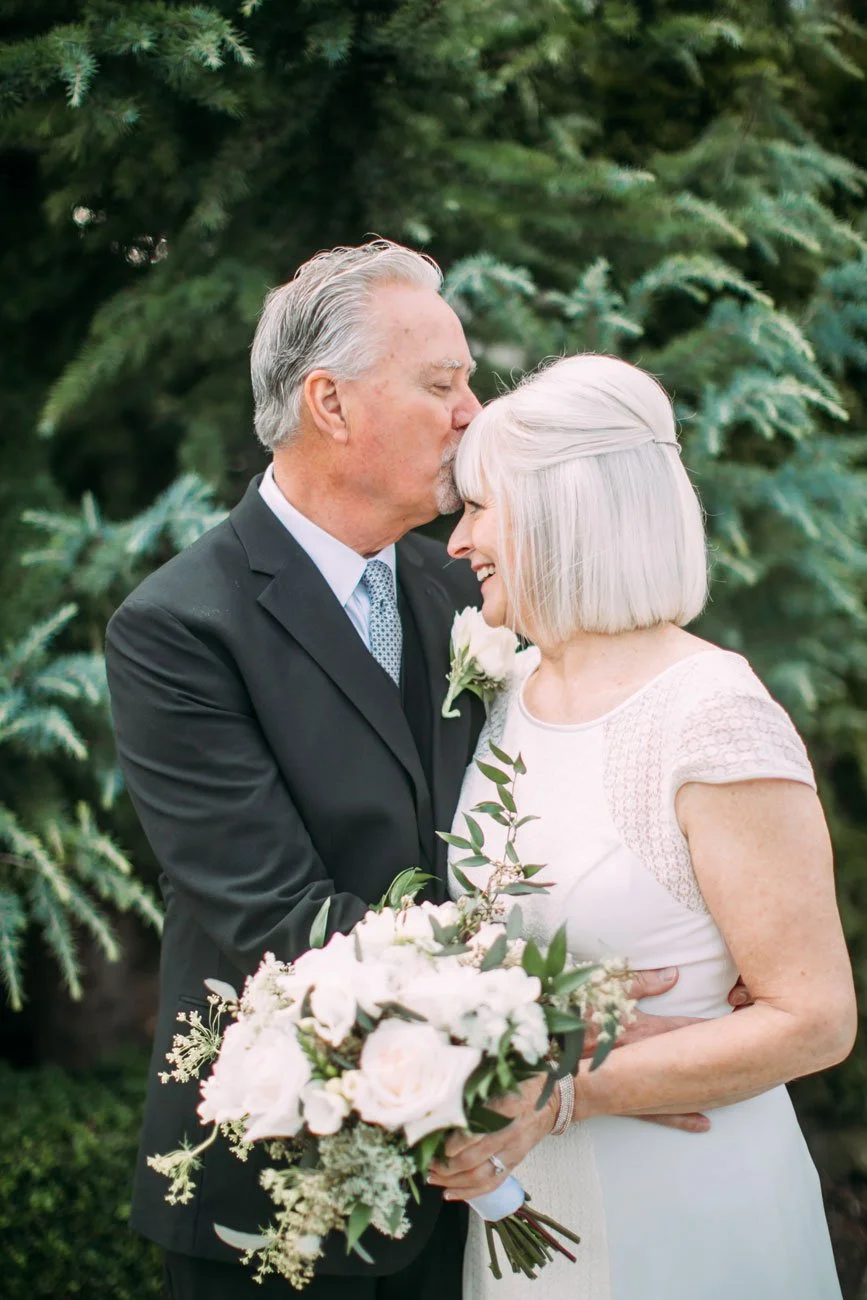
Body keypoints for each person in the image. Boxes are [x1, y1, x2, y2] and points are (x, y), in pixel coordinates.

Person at [105, 244, 690, 1300]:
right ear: (329, 402)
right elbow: (280, 916)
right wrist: (569, 1010)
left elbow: (584, 771)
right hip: (287, 1195)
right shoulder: (181, 629)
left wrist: (689, 947)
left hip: (473, 1186)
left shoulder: (468, 584)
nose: (473, 412)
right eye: (441, 383)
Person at [433, 352, 857, 1299]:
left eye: (478, 507)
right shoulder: (504, 692)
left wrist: (566, 1094)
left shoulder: (712, 711)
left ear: (560, 509)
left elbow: (815, 1018)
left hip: (687, 1204)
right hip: (521, 1204)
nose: (456, 540)